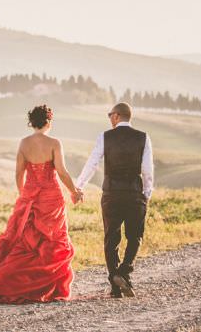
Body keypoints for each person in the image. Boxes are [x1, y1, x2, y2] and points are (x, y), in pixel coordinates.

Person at [0, 104, 84, 303]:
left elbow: (19, 172)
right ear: (49, 122)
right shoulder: (54, 143)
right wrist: (74, 191)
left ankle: (12, 281)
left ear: (32, 122)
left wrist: (24, 195)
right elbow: (61, 171)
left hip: (30, 196)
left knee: (25, 243)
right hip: (51, 197)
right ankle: (49, 287)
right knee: (53, 241)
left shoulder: (24, 143)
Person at [75, 102, 154, 298]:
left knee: (112, 238)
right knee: (135, 236)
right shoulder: (143, 138)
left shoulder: (105, 137)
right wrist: (147, 194)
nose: (109, 118)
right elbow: (147, 170)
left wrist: (80, 185)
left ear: (117, 116)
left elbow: (92, 163)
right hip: (134, 193)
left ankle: (116, 286)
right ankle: (124, 271)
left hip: (111, 193)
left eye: (110, 114)